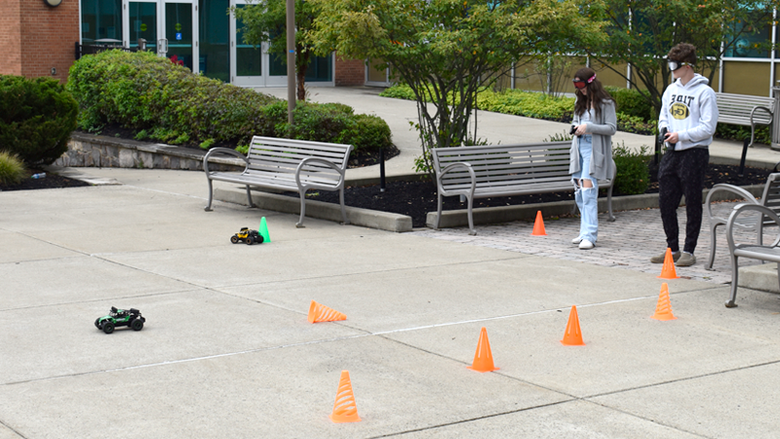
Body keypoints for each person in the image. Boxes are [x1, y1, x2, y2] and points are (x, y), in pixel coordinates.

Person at [652, 43, 718, 267]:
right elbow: (664, 115)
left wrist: (682, 135)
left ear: (687, 66)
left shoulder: (705, 92)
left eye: (675, 65)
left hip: (694, 153)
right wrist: (665, 131)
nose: (671, 69)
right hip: (672, 152)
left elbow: (708, 128)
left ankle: (689, 250)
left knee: (692, 202)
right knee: (666, 201)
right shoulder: (671, 90)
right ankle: (673, 248)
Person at [569, 67, 617, 250]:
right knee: (579, 190)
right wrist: (576, 127)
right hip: (579, 146)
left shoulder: (606, 103)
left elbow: (611, 128)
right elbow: (575, 120)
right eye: (577, 86)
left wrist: (589, 127)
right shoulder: (579, 101)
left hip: (594, 147)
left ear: (591, 83)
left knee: (589, 190)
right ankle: (584, 231)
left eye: (582, 85)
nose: (580, 89)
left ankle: (590, 235)